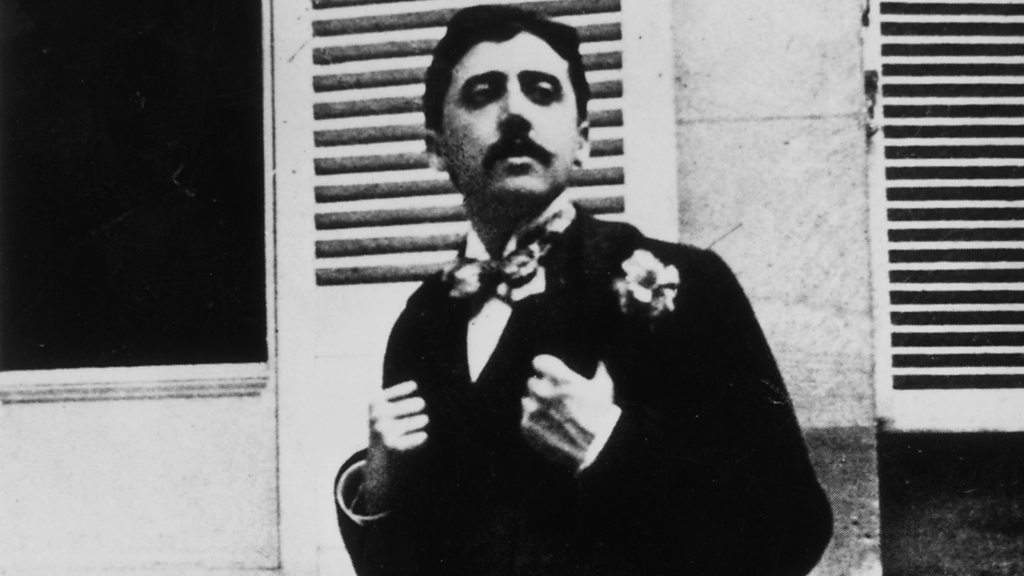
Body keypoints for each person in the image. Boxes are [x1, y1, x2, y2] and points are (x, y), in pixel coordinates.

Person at [334, 5, 833, 575]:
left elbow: (793, 529)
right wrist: (380, 489)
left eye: (542, 92)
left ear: (583, 140)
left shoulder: (677, 282)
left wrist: (608, 447)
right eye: (483, 93)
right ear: (437, 147)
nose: (516, 113)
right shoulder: (425, 319)